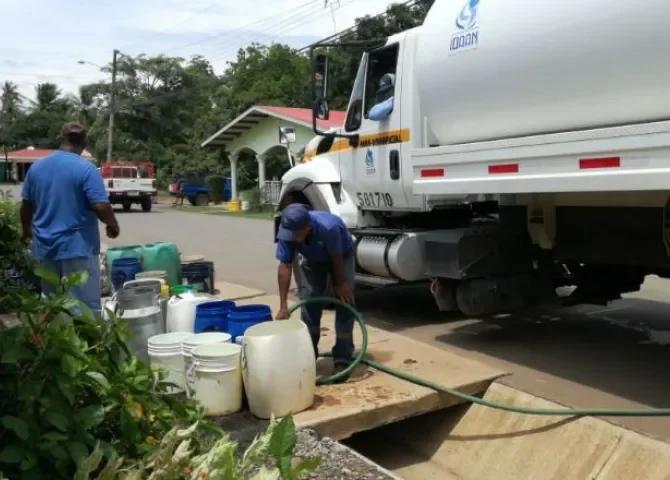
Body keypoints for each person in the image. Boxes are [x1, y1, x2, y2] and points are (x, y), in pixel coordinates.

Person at [20, 122, 120, 315]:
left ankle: (50, 334)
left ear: (61, 139)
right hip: (78, 248)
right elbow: (100, 205)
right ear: (84, 143)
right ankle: (83, 335)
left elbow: (26, 206)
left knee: (51, 305)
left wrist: (26, 232)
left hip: (45, 248)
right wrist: (112, 224)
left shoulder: (37, 168)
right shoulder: (86, 169)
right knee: (84, 308)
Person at [274, 203, 356, 379]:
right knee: (310, 299)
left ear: (307, 228)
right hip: (313, 260)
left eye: (295, 235)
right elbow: (285, 267)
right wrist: (283, 306)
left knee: (344, 302)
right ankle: (309, 353)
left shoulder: (330, 228)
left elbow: (337, 258)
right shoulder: (288, 232)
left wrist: (339, 284)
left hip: (342, 256)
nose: (290, 238)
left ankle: (342, 358)